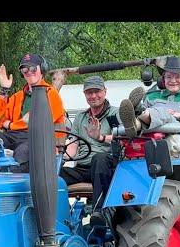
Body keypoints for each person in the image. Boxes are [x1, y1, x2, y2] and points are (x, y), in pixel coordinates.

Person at [60, 76, 145, 225]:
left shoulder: (117, 114)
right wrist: (60, 157)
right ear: (85, 94)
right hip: (83, 167)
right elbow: (73, 147)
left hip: (108, 166)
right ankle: (62, 217)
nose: (93, 96)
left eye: (97, 91)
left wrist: (100, 137)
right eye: (89, 92)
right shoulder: (80, 117)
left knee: (99, 158)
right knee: (52, 174)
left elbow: (126, 139)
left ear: (105, 92)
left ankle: (99, 211)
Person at [119, 56, 180, 158]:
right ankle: (135, 121)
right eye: (169, 77)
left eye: (177, 77)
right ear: (163, 79)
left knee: (165, 114)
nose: (173, 80)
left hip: (178, 148)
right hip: (152, 147)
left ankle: (139, 112)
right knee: (149, 115)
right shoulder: (150, 97)